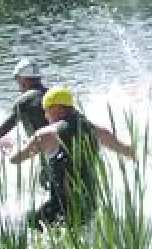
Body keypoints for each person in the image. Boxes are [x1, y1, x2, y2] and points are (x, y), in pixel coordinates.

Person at [7, 85, 135, 230]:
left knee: (22, 225)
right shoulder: (97, 130)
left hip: (62, 209)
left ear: (57, 108)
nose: (45, 116)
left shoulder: (47, 134)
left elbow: (15, 159)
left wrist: (8, 148)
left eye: (47, 110)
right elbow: (130, 152)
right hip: (90, 206)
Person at [0, 59, 48, 155]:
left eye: (16, 78)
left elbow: (2, 131)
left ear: (22, 79)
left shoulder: (24, 101)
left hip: (41, 150)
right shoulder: (51, 93)